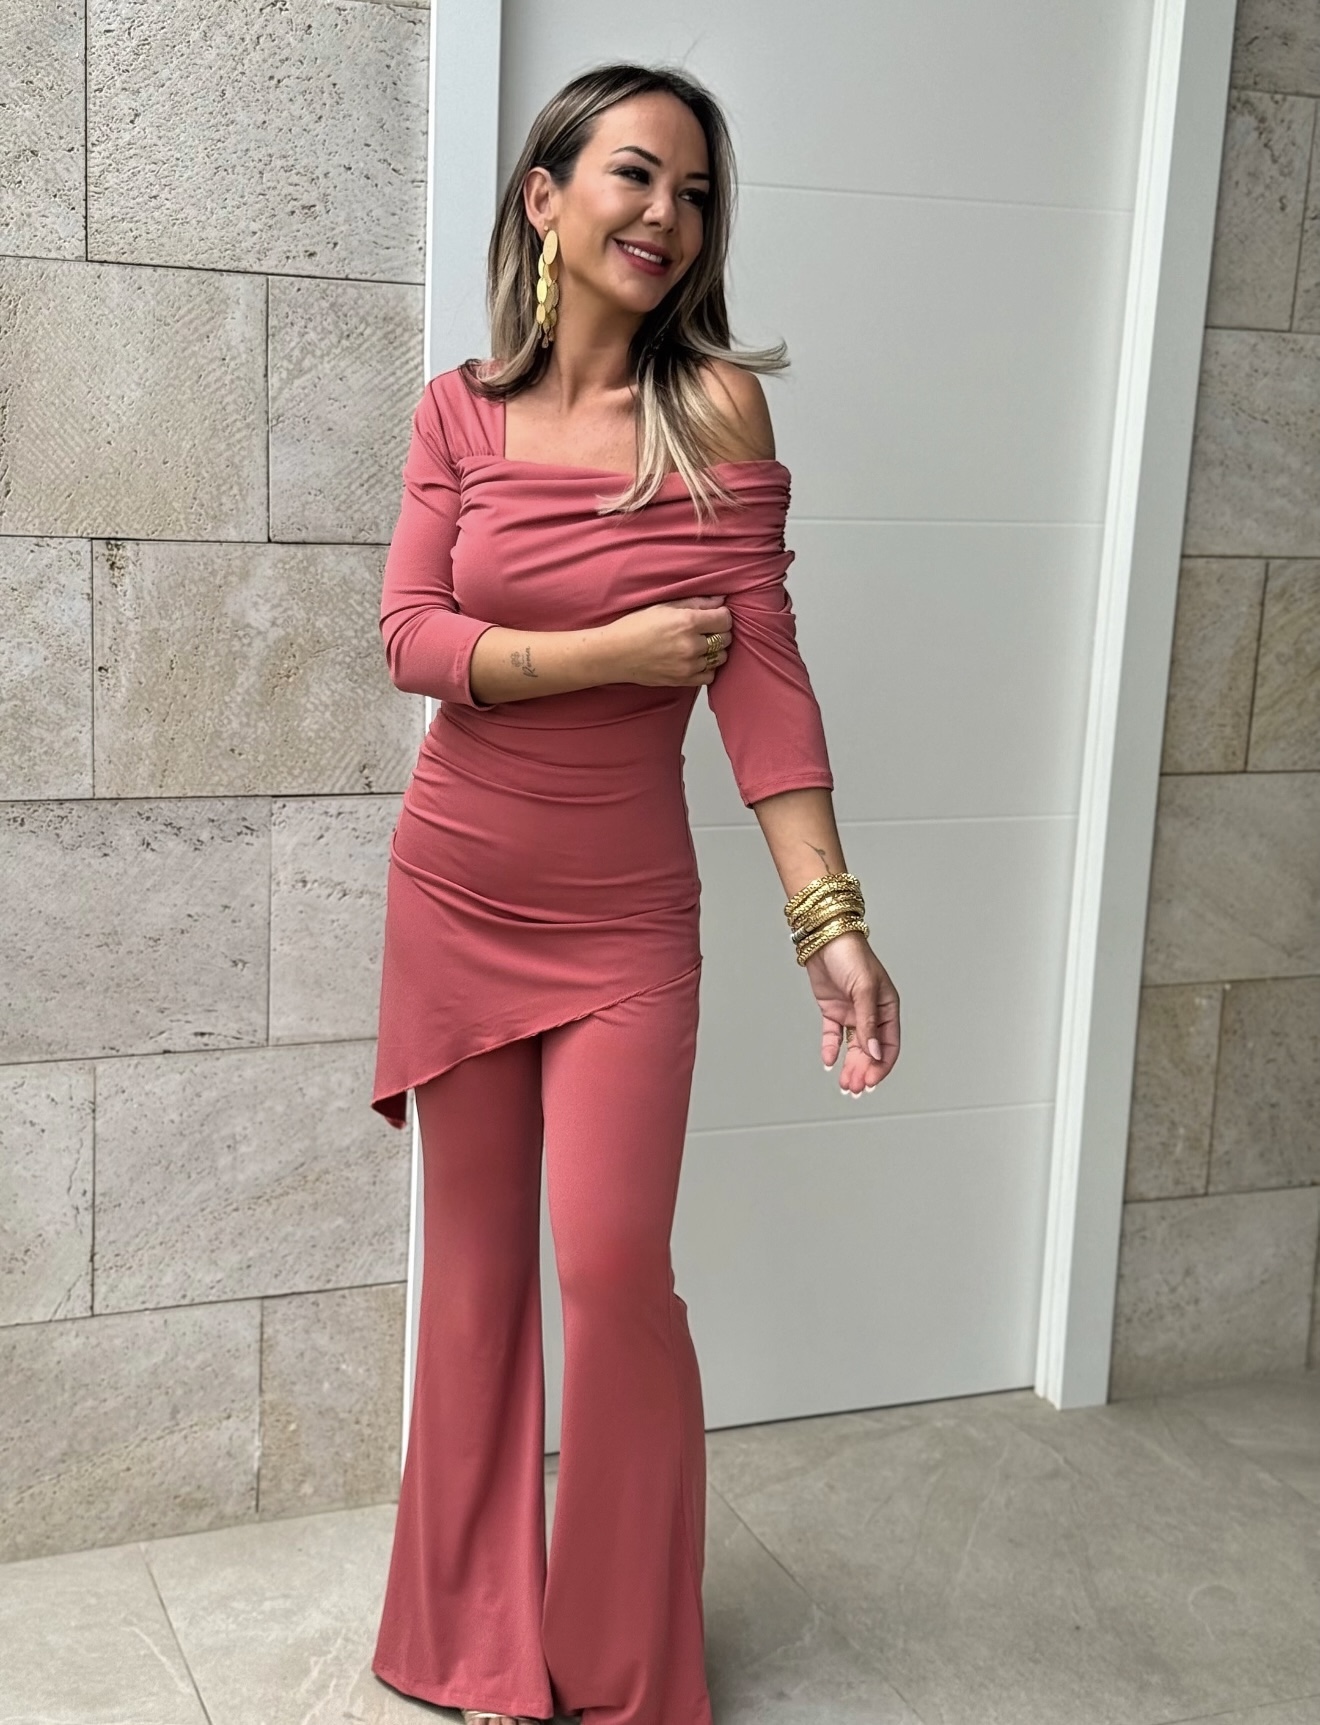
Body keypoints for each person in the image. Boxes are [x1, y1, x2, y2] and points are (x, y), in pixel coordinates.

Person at [368, 60, 901, 1725]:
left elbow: (766, 682)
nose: (668, 213)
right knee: (472, 1277)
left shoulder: (716, 413)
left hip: (622, 922)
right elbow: (411, 639)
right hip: (452, 889)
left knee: (609, 1268)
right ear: (545, 198)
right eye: (635, 175)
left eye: (697, 192)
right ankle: (469, 1643)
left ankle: (619, 1659)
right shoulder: (459, 412)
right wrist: (607, 650)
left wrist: (832, 924)